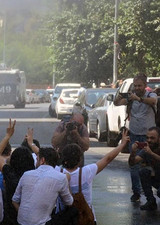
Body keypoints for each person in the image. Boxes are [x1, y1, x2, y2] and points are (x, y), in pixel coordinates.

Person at [56, 128, 129, 223]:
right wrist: (122, 144)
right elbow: (107, 159)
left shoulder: (57, 172)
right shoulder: (87, 172)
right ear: (79, 160)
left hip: (63, 220)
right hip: (85, 219)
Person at [114, 73, 157, 202]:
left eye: (139, 85)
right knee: (133, 164)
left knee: (152, 163)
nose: (137, 88)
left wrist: (138, 99)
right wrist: (121, 94)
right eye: (135, 85)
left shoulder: (150, 95)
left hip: (149, 137)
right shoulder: (131, 97)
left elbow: (154, 101)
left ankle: (151, 193)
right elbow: (117, 103)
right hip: (134, 134)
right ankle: (136, 192)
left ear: (145, 85)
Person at [12, 147, 73, 225]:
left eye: (37, 159)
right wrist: (67, 180)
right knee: (72, 212)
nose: (36, 162)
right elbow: (69, 202)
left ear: (42, 160)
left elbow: (14, 200)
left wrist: (24, 215)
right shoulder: (61, 178)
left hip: (21, 222)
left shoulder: (26, 174)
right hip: (42, 223)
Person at [0, 119, 35, 225]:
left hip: (10, 218)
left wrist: (8, 135)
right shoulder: (35, 174)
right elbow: (47, 159)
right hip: (32, 219)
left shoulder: (9, 173)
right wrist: (31, 144)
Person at [129, 126, 160, 210]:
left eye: (152, 138)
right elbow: (132, 163)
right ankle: (151, 201)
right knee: (143, 172)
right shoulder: (147, 149)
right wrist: (133, 152)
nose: (149, 140)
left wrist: (152, 154)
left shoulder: (149, 151)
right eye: (147, 138)